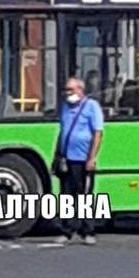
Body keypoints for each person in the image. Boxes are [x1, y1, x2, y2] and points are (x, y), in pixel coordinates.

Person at [54, 77, 104, 246]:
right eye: (66, 90)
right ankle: (67, 231)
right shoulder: (66, 108)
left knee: (85, 196)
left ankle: (87, 231)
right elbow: (63, 131)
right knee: (67, 197)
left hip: (84, 160)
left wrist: (92, 157)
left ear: (80, 90)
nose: (68, 93)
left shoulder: (92, 107)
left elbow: (98, 133)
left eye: (71, 90)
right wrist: (58, 155)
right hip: (68, 160)